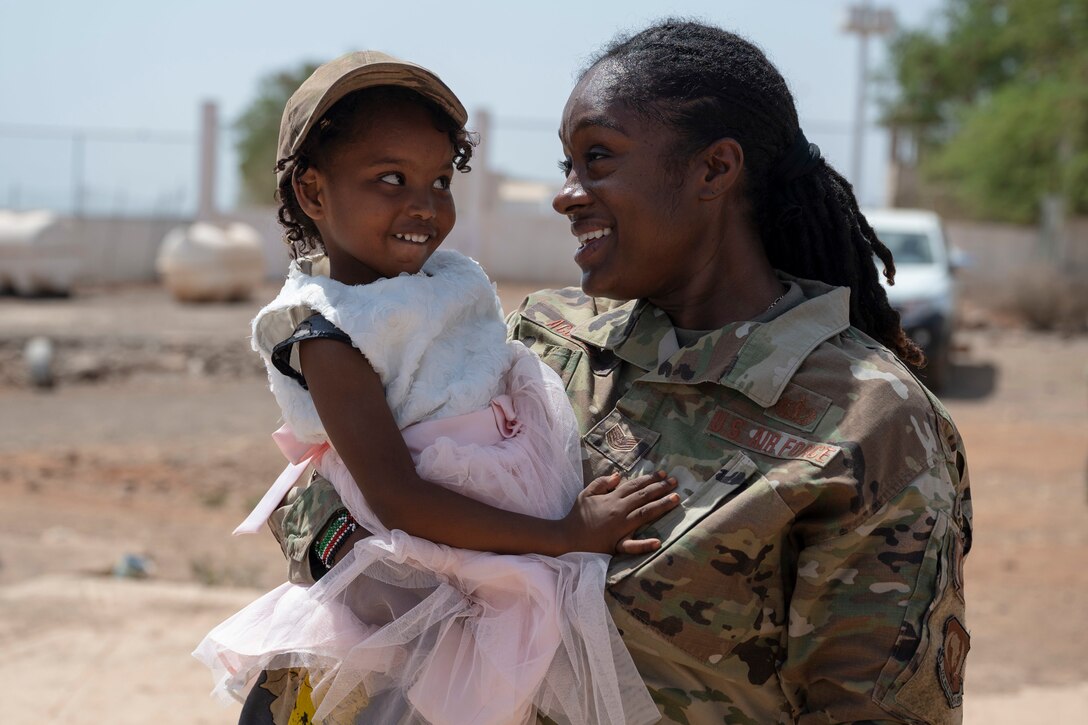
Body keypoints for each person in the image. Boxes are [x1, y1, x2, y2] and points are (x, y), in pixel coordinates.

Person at [259, 21, 973, 725]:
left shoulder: (867, 423)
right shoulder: (544, 338)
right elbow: (337, 501)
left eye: (597, 159)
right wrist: (360, 554)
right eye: (567, 165)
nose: (566, 194)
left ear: (714, 170)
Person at [194, 50, 682, 725]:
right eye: (390, 179)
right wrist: (562, 532)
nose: (423, 205)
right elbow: (398, 497)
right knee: (399, 691)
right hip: (420, 560)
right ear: (312, 193)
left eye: (440, 180)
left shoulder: (448, 279)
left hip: (485, 534)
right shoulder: (326, 331)